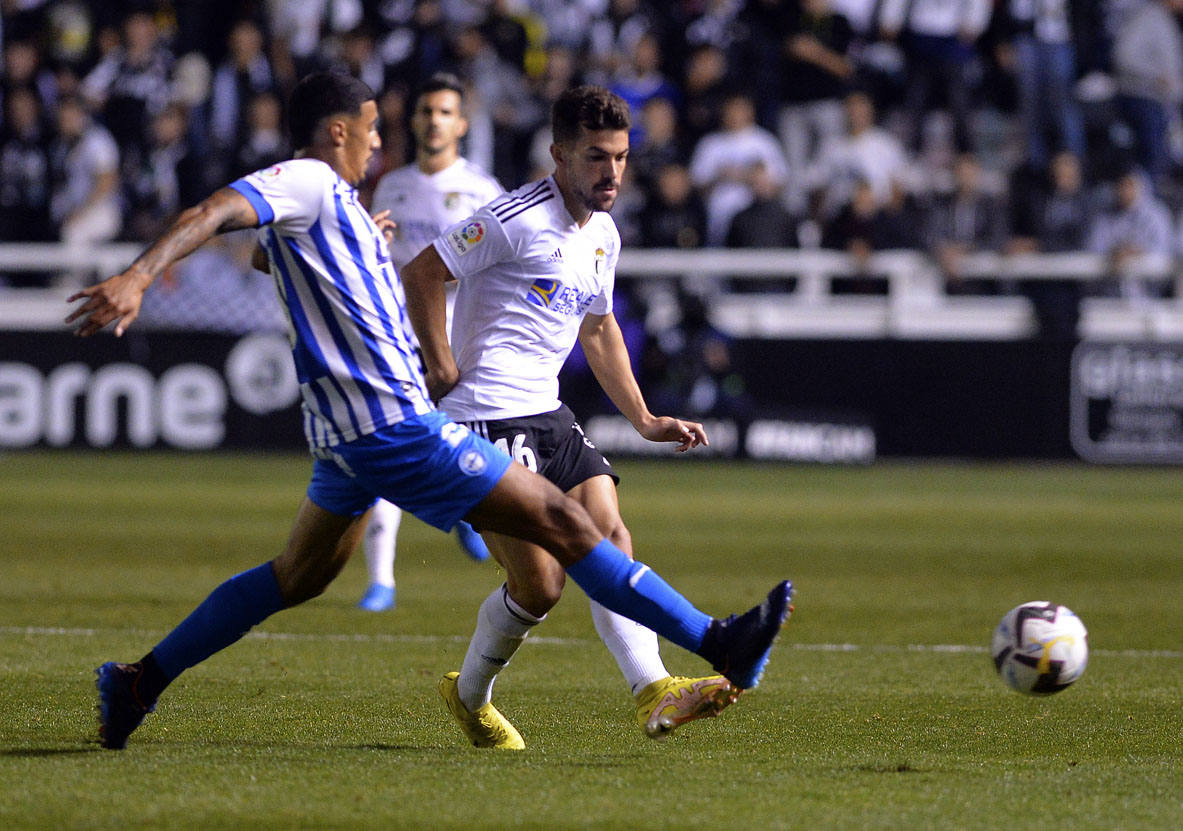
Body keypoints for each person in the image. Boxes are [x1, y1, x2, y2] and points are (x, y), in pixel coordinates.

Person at [66, 71, 793, 752]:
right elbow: (215, 208)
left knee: (299, 575)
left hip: (345, 433)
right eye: (374, 127)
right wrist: (138, 274)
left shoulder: (340, 209)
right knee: (568, 527)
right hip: (394, 422)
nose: (383, 142)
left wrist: (356, 246)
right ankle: (716, 640)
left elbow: (274, 256)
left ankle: (137, 681)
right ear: (338, 131)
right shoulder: (311, 179)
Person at [400, 84, 748, 745]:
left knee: (611, 536)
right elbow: (422, 272)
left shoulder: (604, 234)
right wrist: (440, 367)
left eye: (619, 157)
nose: (611, 171)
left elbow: (598, 330)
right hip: (484, 418)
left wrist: (644, 418)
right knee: (540, 585)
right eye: (595, 157)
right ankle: (470, 696)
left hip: (549, 415)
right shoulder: (511, 217)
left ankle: (654, 688)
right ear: (559, 155)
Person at [358, 73, 502, 613]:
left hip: (460, 339)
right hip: (397, 336)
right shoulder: (392, 184)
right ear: (414, 120)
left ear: (461, 124)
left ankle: (466, 511)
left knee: (457, 444)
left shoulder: (484, 191)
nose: (434, 120)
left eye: (445, 112)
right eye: (426, 111)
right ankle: (382, 581)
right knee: (388, 447)